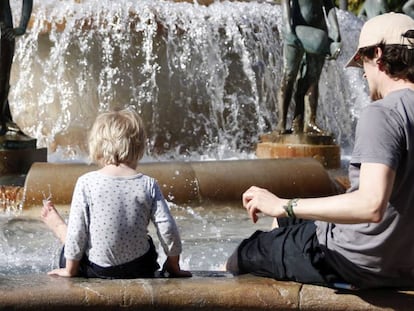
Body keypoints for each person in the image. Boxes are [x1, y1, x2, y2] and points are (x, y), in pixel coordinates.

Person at [227, 13, 414, 289]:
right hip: (406, 262)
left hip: (359, 260)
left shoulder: (383, 114)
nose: (363, 72)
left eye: (363, 61)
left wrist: (284, 204)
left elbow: (371, 205)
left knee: (246, 252)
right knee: (285, 224)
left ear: (378, 54)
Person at [41, 109, 192, 279]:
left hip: (97, 270)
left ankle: (61, 230)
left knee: (74, 244)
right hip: (140, 269)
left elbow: (78, 232)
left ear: (96, 145)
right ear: (139, 147)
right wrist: (173, 265)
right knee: (148, 242)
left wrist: (70, 271)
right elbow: (168, 229)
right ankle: (63, 233)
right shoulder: (148, 184)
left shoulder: (87, 183)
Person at [276, 0, 341, 134]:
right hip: (297, 31)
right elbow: (285, 3)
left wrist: (335, 31)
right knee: (289, 75)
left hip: (320, 32)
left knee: (313, 77)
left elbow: (329, 5)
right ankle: (281, 122)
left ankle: (309, 122)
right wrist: (288, 28)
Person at [0, 0, 33, 136]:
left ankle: (4, 121)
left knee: (2, 80)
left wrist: (22, 27)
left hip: (3, 33)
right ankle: (5, 119)